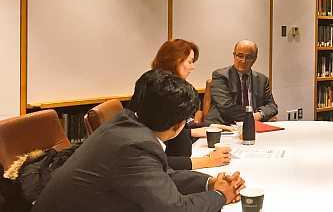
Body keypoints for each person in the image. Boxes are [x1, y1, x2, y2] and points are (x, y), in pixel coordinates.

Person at [33, 70, 245, 212]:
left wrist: (208, 183)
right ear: (179, 124)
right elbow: (174, 209)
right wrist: (220, 195)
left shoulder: (125, 123)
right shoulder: (135, 146)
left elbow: (162, 176)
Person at [128, 39, 230, 170]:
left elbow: (177, 130)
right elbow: (152, 158)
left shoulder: (168, 88)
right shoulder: (158, 91)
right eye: (190, 61)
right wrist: (206, 160)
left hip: (177, 164)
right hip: (167, 171)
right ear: (175, 60)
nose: (193, 67)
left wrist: (209, 126)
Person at [206, 40, 278, 124]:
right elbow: (226, 107)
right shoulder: (220, 76)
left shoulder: (262, 80)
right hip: (224, 126)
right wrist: (250, 117)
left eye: (248, 57)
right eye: (240, 56)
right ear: (234, 55)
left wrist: (260, 114)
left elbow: (272, 106)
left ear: (255, 58)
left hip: (254, 125)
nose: (243, 61)